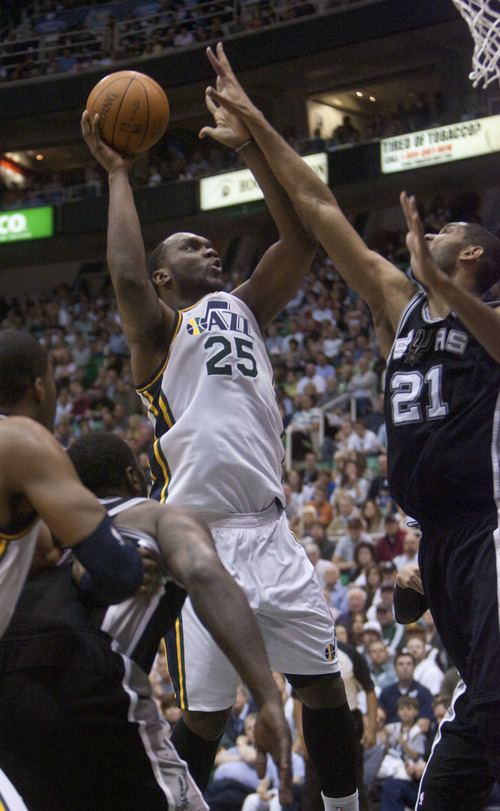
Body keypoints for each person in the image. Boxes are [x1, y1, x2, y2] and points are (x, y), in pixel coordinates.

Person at [202, 42, 500, 808]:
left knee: (478, 719)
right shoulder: (397, 304)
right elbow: (319, 207)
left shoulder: (489, 317)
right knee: (485, 702)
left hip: (489, 525)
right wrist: (255, 123)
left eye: (444, 236)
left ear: (471, 254)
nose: (425, 235)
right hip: (435, 539)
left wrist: (444, 290)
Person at [81, 59, 360, 811]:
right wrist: (117, 174)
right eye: (188, 246)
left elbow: (299, 239)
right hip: (200, 538)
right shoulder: (158, 330)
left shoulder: (242, 307)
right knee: (205, 716)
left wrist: (249, 149)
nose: (207, 248)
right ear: (165, 277)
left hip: (271, 528)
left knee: (324, 689)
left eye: (209, 243)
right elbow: (129, 280)